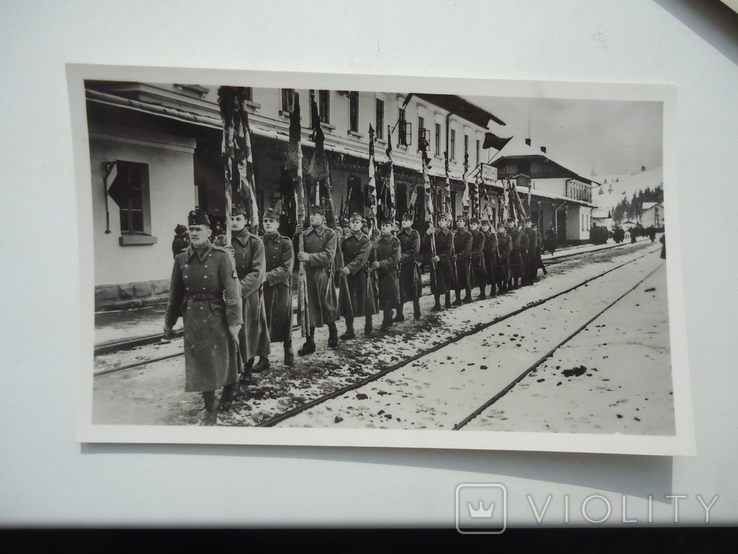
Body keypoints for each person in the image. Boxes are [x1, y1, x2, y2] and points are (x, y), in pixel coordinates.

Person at [164, 209, 242, 426]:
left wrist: (234, 321)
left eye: (199, 229)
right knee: (200, 362)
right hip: (193, 318)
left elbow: (233, 292)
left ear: (209, 231)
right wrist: (169, 322)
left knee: (222, 357)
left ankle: (229, 389)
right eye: (191, 229)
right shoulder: (181, 259)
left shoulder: (221, 257)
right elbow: (175, 294)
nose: (194, 233)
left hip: (216, 313)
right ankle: (210, 407)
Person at [230, 205, 271, 380]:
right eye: (231, 219)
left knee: (248, 331)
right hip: (227, 293)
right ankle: (231, 367)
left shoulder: (255, 242)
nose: (234, 222)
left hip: (247, 293)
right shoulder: (223, 241)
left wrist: (237, 290)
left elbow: (258, 272)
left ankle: (247, 367)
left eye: (238, 219)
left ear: (246, 221)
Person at [297, 205, 339, 355]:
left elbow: (329, 255)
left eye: (316, 214)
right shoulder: (304, 233)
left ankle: (333, 331)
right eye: (311, 214)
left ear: (323, 217)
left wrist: (310, 257)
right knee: (308, 307)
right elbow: (298, 251)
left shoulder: (330, 234)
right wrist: (297, 235)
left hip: (322, 274)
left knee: (325, 305)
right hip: (307, 274)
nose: (312, 217)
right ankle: (310, 341)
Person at [261, 208, 295, 366]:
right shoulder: (258, 242)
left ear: (278, 224)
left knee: (284, 320)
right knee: (263, 321)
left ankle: (288, 349)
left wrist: (267, 276)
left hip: (280, 288)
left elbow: (286, 269)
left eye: (271, 221)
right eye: (265, 221)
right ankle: (263, 358)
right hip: (263, 289)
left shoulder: (285, 243)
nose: (268, 224)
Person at [339, 213, 375, 339]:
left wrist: (350, 268)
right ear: (349, 224)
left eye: (357, 222)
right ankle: (349, 329)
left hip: (360, 273)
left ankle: (368, 323)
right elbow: (338, 251)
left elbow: (362, 257)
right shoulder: (344, 239)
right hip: (347, 273)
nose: (355, 224)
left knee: (364, 300)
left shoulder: (365, 240)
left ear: (361, 224)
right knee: (348, 301)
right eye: (353, 222)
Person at [372, 218, 401, 331]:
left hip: (390, 272)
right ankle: (387, 316)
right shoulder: (377, 240)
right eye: (382, 225)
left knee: (389, 295)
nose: (384, 228)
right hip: (379, 272)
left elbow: (395, 258)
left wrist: (381, 264)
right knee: (382, 296)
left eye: (387, 226)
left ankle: (386, 320)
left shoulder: (395, 241)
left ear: (391, 228)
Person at [423, 212, 454, 311]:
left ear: (446, 222)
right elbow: (426, 245)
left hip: (445, 262)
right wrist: (427, 235)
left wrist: (440, 257)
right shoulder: (434, 233)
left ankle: (447, 301)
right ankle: (437, 303)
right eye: (439, 221)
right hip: (435, 263)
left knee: (446, 281)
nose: (441, 223)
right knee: (435, 282)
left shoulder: (450, 234)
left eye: (443, 220)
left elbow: (449, 250)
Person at [396, 213, 422, 321]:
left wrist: (400, 257)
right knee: (400, 289)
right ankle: (399, 314)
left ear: (411, 222)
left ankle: (417, 311)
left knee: (413, 288)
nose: (404, 222)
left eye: (406, 220)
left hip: (410, 265)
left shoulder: (414, 234)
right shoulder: (398, 234)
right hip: (400, 266)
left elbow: (414, 250)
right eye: (403, 220)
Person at [453, 215, 473, 305]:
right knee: (456, 278)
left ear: (464, 223)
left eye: (461, 221)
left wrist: (458, 256)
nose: (459, 223)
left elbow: (467, 249)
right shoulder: (454, 234)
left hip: (464, 260)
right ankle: (457, 298)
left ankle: (468, 296)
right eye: (458, 221)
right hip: (455, 259)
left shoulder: (468, 235)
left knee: (466, 277)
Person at [469, 218, 487, 300]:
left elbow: (479, 248)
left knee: (480, 276)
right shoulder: (468, 234)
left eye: (474, 224)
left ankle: (482, 293)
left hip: (478, 258)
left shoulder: (481, 235)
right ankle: (468, 295)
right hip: (469, 258)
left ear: (477, 226)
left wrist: (471, 255)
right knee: (469, 276)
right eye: (471, 224)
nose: (472, 226)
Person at [496, 223, 512, 293]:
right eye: (498, 228)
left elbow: (509, 247)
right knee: (498, 273)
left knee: (505, 272)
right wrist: (497, 255)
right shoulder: (496, 237)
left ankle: (505, 286)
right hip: (497, 257)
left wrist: (503, 256)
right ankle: (500, 287)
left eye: (501, 228)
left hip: (506, 257)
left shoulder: (508, 237)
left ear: (504, 229)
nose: (499, 229)